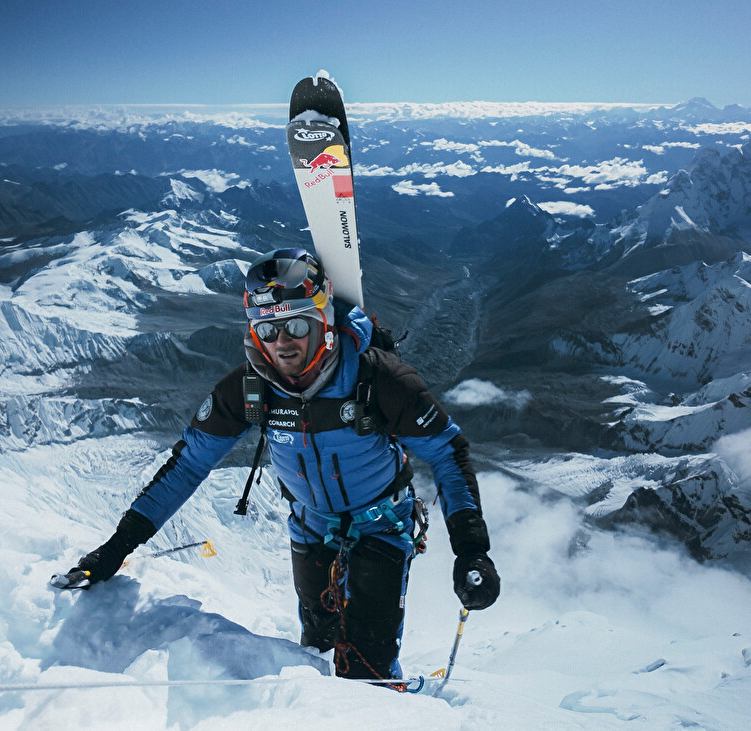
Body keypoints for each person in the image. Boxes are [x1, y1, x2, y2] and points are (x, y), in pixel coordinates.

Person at [66, 248, 499, 684]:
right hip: (311, 528)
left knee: (367, 672)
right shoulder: (250, 388)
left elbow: (448, 453)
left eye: (296, 326)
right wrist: (115, 549)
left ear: (323, 320)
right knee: (315, 649)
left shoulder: (377, 378)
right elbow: (187, 466)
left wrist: (471, 549)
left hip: (381, 526)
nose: (282, 343)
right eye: (268, 330)